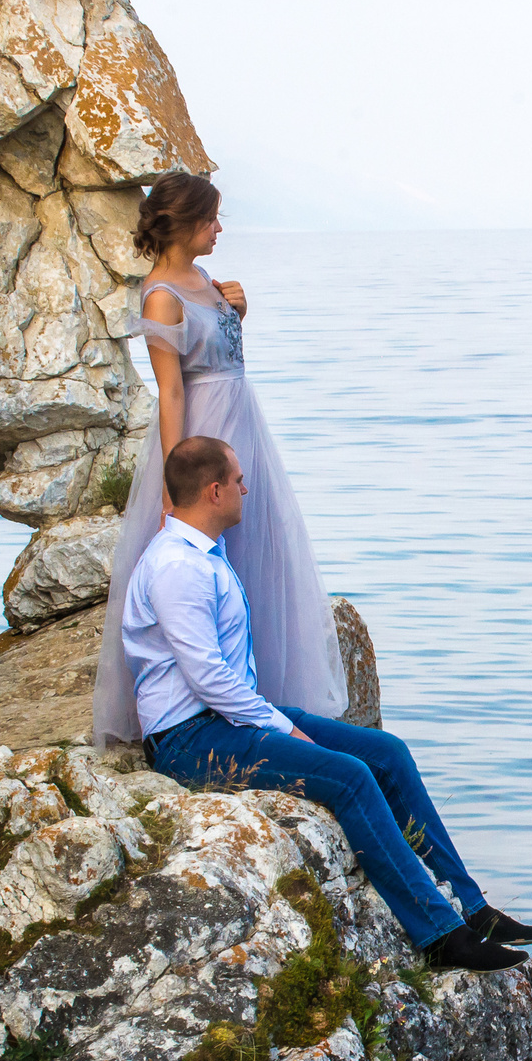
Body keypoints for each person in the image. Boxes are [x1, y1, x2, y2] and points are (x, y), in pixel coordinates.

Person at [123, 434, 532, 972]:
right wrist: (281, 728)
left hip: (226, 718)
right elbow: (207, 676)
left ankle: (474, 909)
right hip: (189, 739)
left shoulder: (201, 555)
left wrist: (269, 720)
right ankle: (441, 936)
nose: (245, 489)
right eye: (237, 481)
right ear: (214, 491)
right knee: (350, 778)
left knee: (387, 753)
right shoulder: (177, 568)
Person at [92, 173, 347, 749]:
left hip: (241, 421)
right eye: (210, 219)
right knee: (208, 548)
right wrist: (173, 482)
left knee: (255, 544)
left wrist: (238, 312)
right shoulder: (162, 295)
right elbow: (172, 391)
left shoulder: (206, 280)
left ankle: (266, 693)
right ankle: (211, 707)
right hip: (204, 427)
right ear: (183, 223)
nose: (218, 229)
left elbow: (221, 348)